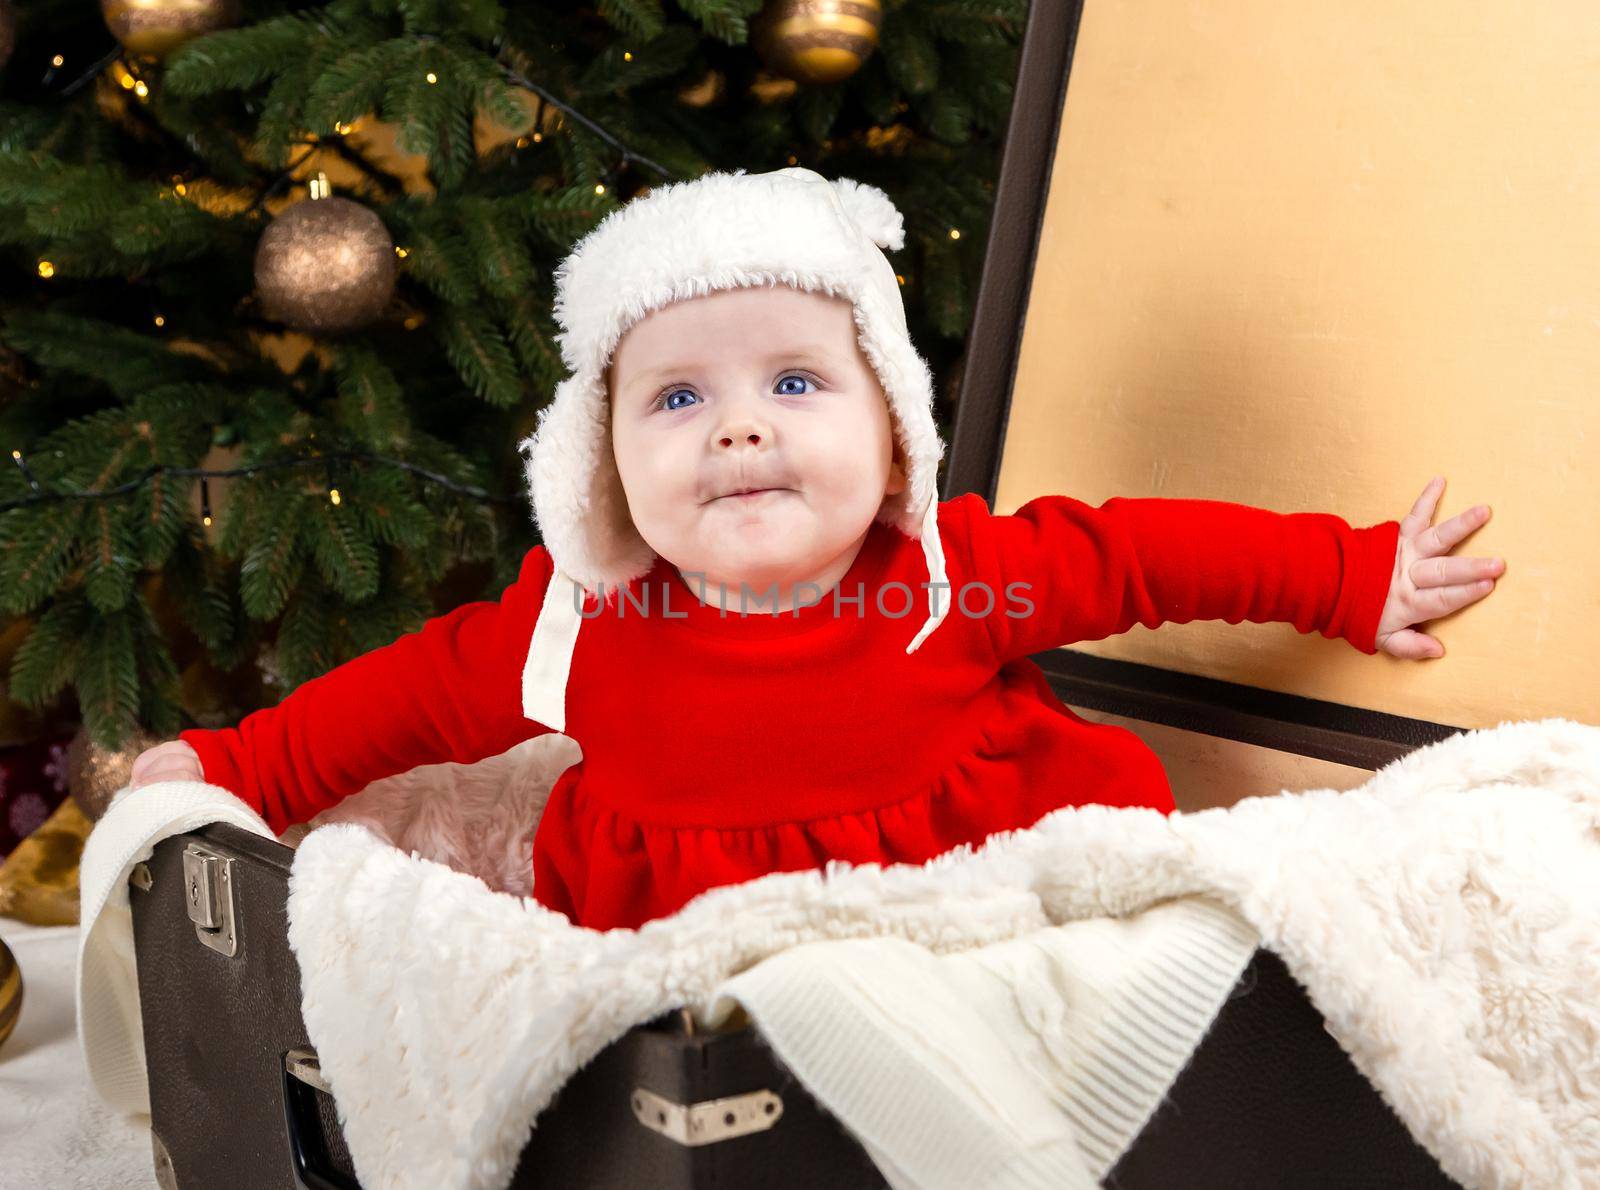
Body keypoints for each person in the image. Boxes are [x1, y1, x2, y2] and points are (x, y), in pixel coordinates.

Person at [129, 167, 1505, 931]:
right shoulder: (584, 620)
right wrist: (235, 764)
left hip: (970, 890)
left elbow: (1141, 556)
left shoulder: (959, 578)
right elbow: (412, 694)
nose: (739, 432)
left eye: (794, 382)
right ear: (603, 463)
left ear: (893, 426)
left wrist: (1350, 572)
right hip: (692, 950)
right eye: (678, 398)